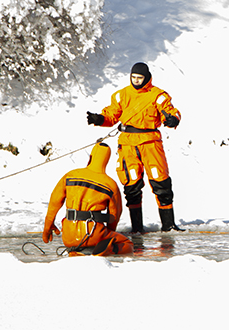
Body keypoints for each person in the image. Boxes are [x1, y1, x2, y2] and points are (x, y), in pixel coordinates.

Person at [86, 62, 183, 233]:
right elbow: (111, 115)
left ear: (147, 78)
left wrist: (173, 119)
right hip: (128, 144)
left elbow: (170, 111)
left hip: (150, 143)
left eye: (140, 78)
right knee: (131, 185)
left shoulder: (158, 95)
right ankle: (137, 228)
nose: (136, 80)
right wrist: (99, 119)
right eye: (134, 77)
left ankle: (169, 226)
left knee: (161, 182)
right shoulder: (121, 95)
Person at [42, 142, 134, 256]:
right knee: (128, 244)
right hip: (94, 234)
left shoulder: (70, 175)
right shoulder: (111, 185)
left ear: (91, 157)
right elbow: (114, 215)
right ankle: (104, 251)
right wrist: (108, 234)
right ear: (106, 161)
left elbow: (54, 201)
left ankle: (74, 251)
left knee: (74, 241)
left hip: (68, 235)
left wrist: (48, 225)